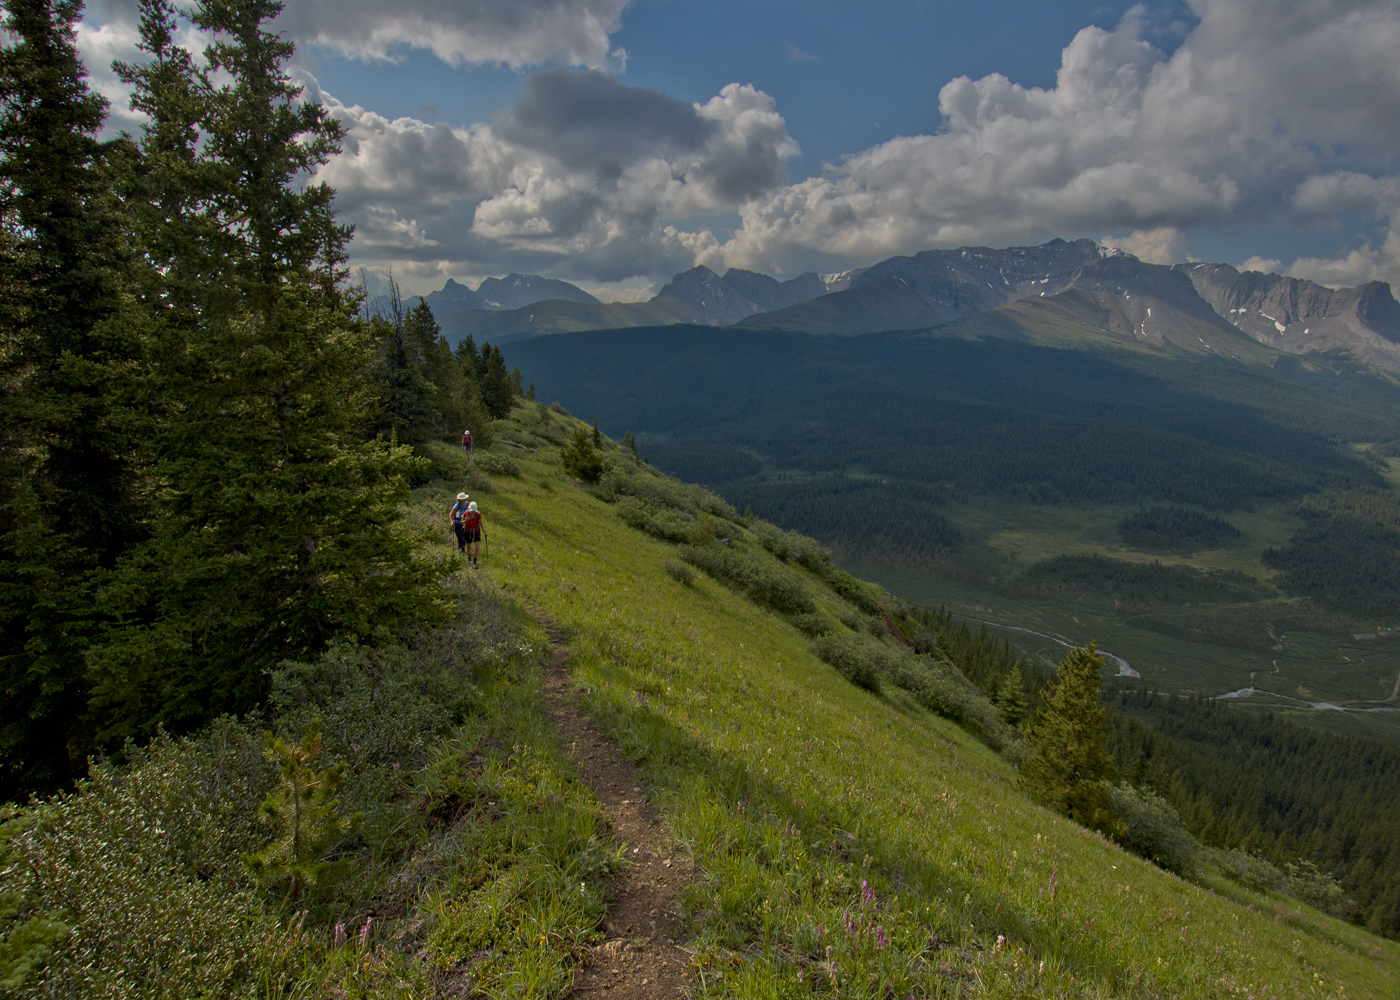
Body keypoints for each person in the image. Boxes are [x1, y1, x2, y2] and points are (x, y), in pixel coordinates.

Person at [461, 501, 483, 568]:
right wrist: (465, 521)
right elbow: (462, 522)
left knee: (477, 547)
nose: (472, 512)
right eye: (472, 510)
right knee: (469, 546)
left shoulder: (478, 515)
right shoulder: (465, 514)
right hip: (468, 532)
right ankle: (469, 559)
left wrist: (484, 532)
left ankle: (474, 561)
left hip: (476, 532)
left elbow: (481, 523)